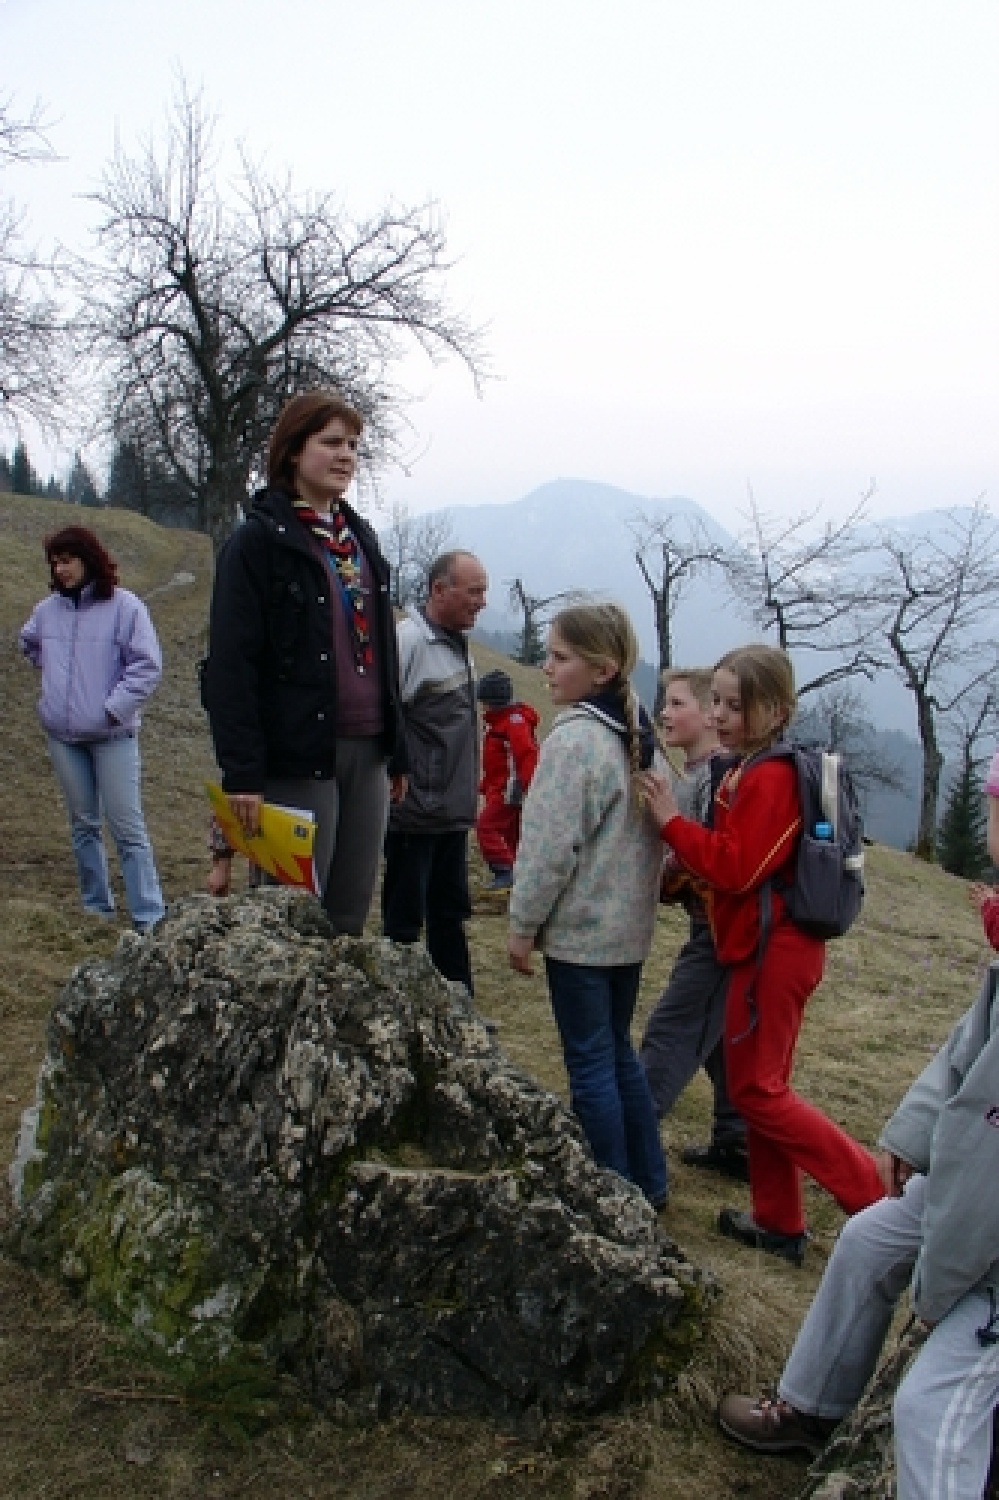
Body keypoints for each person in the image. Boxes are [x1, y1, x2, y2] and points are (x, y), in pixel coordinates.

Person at [716, 961, 999, 1500]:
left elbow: (983, 1182)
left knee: (931, 1409)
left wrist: (935, 1293)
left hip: (988, 1228)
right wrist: (915, 1130)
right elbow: (969, 1044)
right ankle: (812, 1409)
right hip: (974, 1188)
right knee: (868, 1241)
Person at [640, 644, 884, 1262]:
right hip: (768, 947)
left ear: (775, 710)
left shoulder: (770, 776)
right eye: (715, 700)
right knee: (762, 1084)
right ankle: (778, 1219)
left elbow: (737, 866)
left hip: (773, 953)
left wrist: (671, 821)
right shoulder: (752, 767)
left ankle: (876, 1198)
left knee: (758, 1092)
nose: (719, 714)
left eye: (733, 704)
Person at [204, 389, 407, 935]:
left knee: (349, 913)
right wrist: (242, 773)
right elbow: (231, 665)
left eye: (354, 445)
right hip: (296, 754)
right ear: (294, 450)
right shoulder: (256, 544)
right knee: (292, 919)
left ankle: (336, 1021)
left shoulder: (359, 540)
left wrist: (398, 748)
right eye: (332, 442)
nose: (346, 455)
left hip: (368, 750)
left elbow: (382, 648)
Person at [508, 603, 667, 1209]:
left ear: (601, 670)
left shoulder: (576, 743)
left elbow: (548, 849)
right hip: (627, 933)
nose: (545, 668)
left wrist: (522, 927)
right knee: (617, 1052)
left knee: (592, 1064)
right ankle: (647, 1182)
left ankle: (613, 1194)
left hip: (583, 937)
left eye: (559, 657)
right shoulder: (637, 733)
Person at [19, 525, 166, 932]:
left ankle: (149, 917)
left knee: (127, 827)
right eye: (55, 562)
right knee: (83, 824)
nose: (60, 569)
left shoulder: (126, 607)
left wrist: (113, 709)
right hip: (63, 739)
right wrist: (52, 686)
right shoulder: (46, 611)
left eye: (67, 560)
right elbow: (28, 642)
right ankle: (96, 911)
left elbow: (147, 666)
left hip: (112, 737)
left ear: (89, 559)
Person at [639, 668, 748, 1181]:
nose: (665, 713)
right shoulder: (702, 773)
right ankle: (737, 1139)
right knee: (722, 1031)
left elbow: (714, 862)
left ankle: (628, 1141)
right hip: (715, 929)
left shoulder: (719, 778)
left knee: (674, 1029)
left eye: (677, 703)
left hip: (722, 933)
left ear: (709, 714)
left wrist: (668, 873)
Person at [382, 550, 488, 991]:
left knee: (449, 912)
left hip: (449, 812)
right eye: (474, 591)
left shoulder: (458, 645)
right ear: (439, 590)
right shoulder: (409, 642)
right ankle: (397, 1004)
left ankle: (458, 1008)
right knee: (405, 918)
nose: (482, 601)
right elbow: (386, 720)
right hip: (413, 812)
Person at [474, 668, 540, 891]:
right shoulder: (498, 723)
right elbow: (497, 762)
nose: (482, 706)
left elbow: (526, 755)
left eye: (484, 701)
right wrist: (486, 785)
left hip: (510, 791)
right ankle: (523, 875)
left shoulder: (513, 723)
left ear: (494, 702)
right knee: (513, 835)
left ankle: (504, 869)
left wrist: (529, 786)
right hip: (501, 789)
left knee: (486, 827)